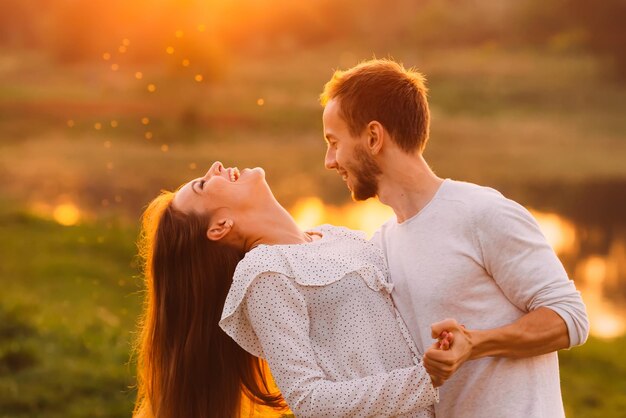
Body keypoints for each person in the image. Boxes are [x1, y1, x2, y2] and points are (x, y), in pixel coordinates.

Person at [320, 58, 589, 418]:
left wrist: (475, 343)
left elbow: (569, 317)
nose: (329, 160)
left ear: (373, 137)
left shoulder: (481, 213)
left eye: (334, 142)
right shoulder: (381, 245)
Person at [133, 161, 447, 418]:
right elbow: (310, 401)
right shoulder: (264, 274)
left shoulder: (336, 236)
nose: (215, 166)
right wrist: (426, 378)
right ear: (220, 227)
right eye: (203, 184)